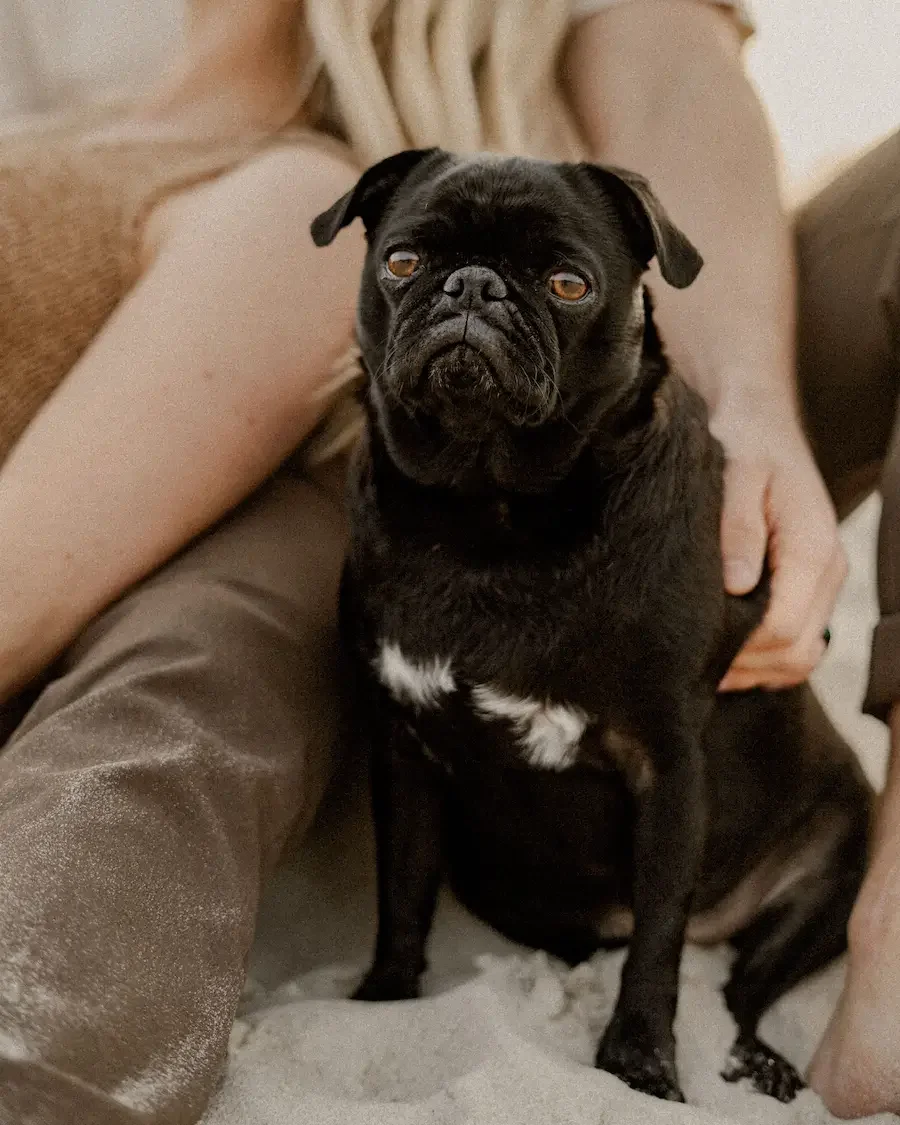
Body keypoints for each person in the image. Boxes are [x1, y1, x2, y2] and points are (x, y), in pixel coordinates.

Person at [0, 0, 894, 1120]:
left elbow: (673, 72)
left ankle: (891, 919)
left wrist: (753, 400)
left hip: (634, 394)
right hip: (308, 474)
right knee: (178, 697)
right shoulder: (61, 62)